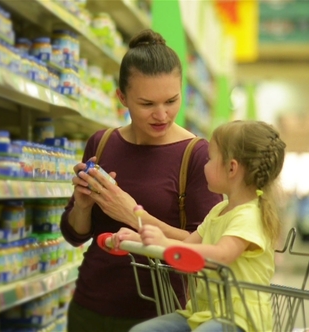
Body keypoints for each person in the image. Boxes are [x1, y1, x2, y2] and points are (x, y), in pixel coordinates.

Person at [60, 29, 223, 332]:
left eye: (172, 100)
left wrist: (132, 215)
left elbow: (207, 248)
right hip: (89, 306)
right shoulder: (103, 142)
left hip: (160, 316)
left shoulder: (196, 155)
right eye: (147, 104)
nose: (162, 115)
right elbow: (75, 235)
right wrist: (82, 206)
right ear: (121, 97)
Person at [117, 120, 287, 332]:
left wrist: (165, 245)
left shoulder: (250, 215)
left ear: (232, 167)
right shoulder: (219, 210)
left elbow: (221, 256)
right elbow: (185, 246)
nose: (204, 165)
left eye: (210, 158)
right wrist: (142, 240)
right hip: (202, 313)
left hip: (241, 319)